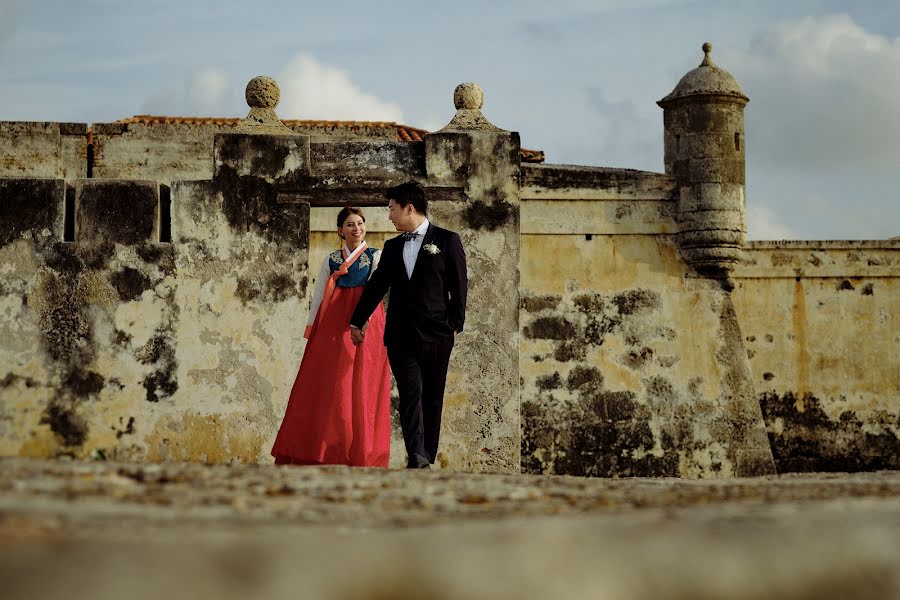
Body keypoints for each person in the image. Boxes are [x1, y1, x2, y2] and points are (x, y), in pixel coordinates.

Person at [349, 181, 467, 469]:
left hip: (438, 336)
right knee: (410, 393)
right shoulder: (392, 247)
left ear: (409, 208)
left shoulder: (448, 240)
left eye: (392, 209)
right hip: (400, 336)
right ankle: (417, 454)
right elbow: (377, 286)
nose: (389, 215)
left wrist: (454, 324)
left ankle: (427, 452)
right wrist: (357, 320)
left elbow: (459, 286)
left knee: (432, 396)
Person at [271, 207, 391, 467]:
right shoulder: (331, 260)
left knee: (359, 383)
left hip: (365, 322)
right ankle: (328, 448)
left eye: (360, 223)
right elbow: (318, 296)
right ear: (340, 230)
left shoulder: (375, 256)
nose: (356, 228)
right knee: (332, 386)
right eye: (350, 224)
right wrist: (312, 328)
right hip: (332, 323)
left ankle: (360, 451)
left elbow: (374, 290)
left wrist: (363, 322)